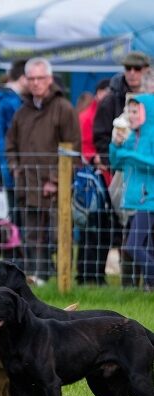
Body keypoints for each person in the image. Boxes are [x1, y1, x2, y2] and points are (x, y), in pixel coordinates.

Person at [6, 57, 81, 286]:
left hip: (56, 189)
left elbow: (73, 148)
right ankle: (37, 279)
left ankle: (62, 280)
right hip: (28, 185)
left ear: (49, 79)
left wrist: (56, 181)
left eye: (40, 78)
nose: (36, 83)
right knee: (31, 236)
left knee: (59, 236)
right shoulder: (22, 111)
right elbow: (11, 144)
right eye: (32, 78)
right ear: (26, 81)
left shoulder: (63, 108)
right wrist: (16, 169)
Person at [94, 51, 151, 288]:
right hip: (131, 188)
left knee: (136, 242)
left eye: (138, 69)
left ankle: (147, 284)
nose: (133, 73)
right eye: (129, 68)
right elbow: (110, 150)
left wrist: (128, 155)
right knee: (130, 239)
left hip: (147, 190)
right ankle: (133, 286)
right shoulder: (113, 103)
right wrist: (115, 149)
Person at [109, 95, 154, 291]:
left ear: (147, 112)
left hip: (148, 200)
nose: (131, 116)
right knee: (146, 246)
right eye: (130, 111)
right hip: (136, 200)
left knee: (133, 246)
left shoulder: (151, 135)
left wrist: (129, 155)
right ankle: (150, 286)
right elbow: (116, 162)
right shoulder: (131, 136)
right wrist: (115, 145)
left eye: (136, 111)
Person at [76, 78, 112, 285]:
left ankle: (97, 274)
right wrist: (94, 158)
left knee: (103, 230)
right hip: (90, 181)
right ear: (98, 93)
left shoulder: (106, 115)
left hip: (106, 180)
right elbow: (82, 147)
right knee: (90, 229)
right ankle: (86, 274)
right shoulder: (87, 116)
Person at [0, 60, 27, 194]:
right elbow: (13, 139)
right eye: (31, 78)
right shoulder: (11, 102)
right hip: (8, 169)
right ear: (23, 78)